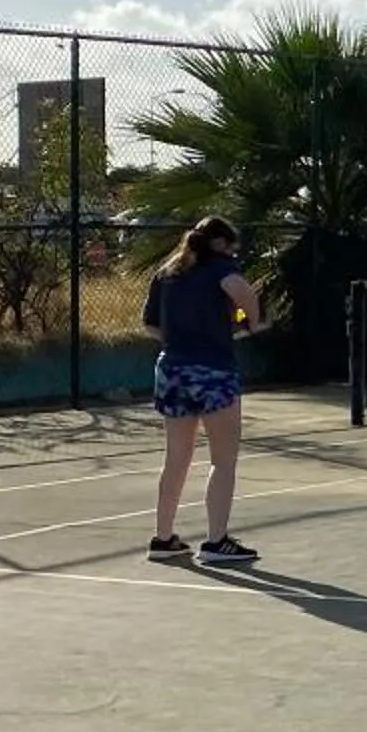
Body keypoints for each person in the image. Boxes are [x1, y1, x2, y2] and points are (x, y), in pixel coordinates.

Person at [141, 216, 268, 564]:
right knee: (223, 460)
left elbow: (151, 325)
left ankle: (163, 538)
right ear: (222, 244)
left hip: (171, 369)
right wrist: (249, 323)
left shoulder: (168, 272)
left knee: (176, 459)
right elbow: (245, 297)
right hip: (213, 370)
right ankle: (215, 542)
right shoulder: (221, 269)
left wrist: (181, 341)